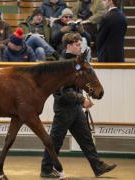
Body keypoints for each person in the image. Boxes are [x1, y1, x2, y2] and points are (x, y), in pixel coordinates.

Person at [40, 32, 117, 179]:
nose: (80, 46)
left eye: (80, 44)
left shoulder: (77, 64)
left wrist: (81, 99)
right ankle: (46, 170)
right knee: (55, 141)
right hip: (64, 109)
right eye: (77, 44)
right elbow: (60, 92)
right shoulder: (62, 65)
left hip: (75, 109)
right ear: (69, 46)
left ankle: (98, 166)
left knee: (86, 138)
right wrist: (82, 100)